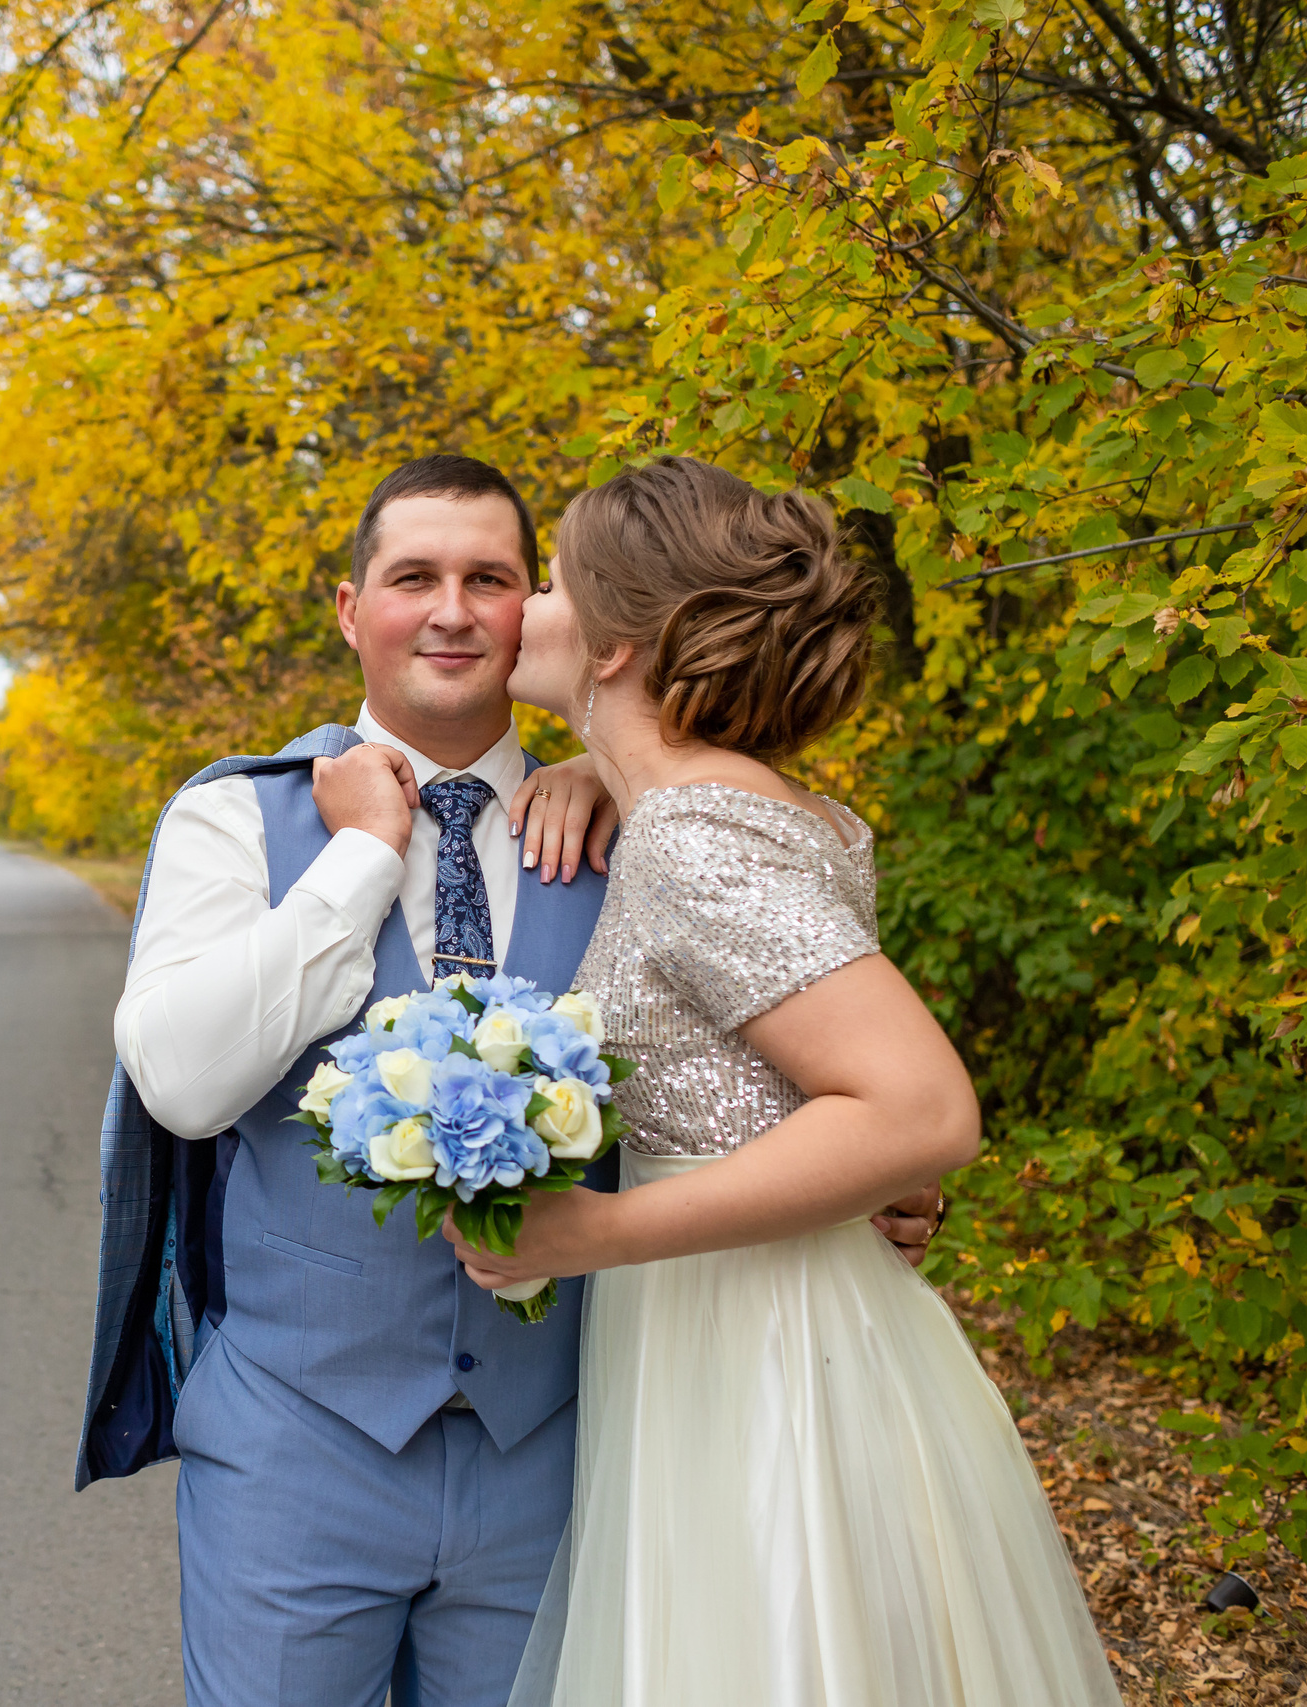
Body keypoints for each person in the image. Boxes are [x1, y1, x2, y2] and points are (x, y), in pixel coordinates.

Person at [77, 453, 947, 1707]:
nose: (450, 610)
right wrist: (358, 863)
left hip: (570, 1453)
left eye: (490, 579)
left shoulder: (638, 826)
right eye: (411, 577)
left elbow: (821, 1080)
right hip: (294, 1452)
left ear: (545, 611)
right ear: (348, 609)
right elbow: (181, 1084)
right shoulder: (234, 822)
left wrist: (885, 1190)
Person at [446, 456, 1123, 1706]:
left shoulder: (697, 834)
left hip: (763, 1358)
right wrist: (598, 766)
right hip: (747, 1326)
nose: (524, 609)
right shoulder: (720, 812)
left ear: (610, 645)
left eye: (546, 583)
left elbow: (918, 1108)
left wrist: (597, 1229)